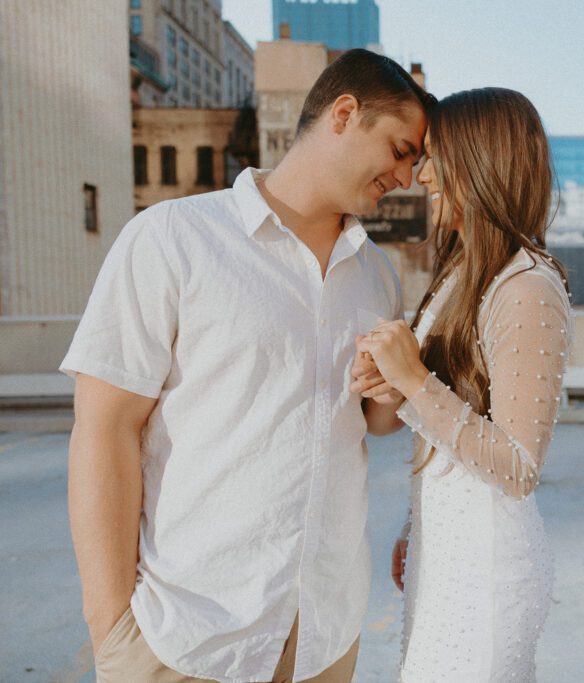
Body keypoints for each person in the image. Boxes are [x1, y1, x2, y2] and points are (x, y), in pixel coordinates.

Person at [61, 49, 432, 682]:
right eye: (401, 149)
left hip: (323, 636)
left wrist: (390, 392)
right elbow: (104, 428)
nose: (405, 175)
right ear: (345, 114)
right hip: (186, 637)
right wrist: (111, 626)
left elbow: (376, 424)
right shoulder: (172, 238)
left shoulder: (376, 273)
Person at [350, 87, 573, 681]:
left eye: (435, 156)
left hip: (487, 573)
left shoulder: (526, 286)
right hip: (444, 556)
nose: (422, 175)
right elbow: (455, 421)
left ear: (479, 161)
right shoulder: (463, 273)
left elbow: (519, 466)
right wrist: (415, 526)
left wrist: (415, 379)